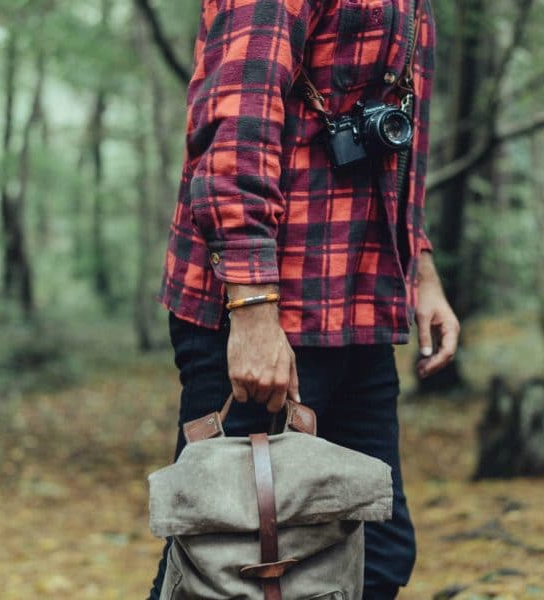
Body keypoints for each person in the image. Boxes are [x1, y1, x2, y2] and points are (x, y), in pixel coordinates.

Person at [147, 0, 459, 598]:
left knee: (378, 552)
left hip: (358, 301)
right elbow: (237, 123)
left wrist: (419, 266)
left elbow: (394, 141)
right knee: (225, 564)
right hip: (262, 311)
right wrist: (253, 309)